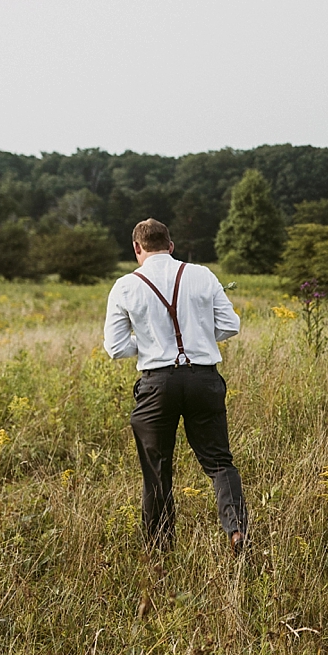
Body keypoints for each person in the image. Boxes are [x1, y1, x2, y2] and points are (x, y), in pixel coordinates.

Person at [104, 218, 249, 555]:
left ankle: (160, 550)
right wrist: (197, 340)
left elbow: (114, 348)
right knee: (219, 463)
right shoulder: (202, 275)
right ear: (170, 246)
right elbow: (231, 325)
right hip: (203, 378)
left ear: (137, 249)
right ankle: (237, 531)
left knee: (157, 470)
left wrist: (152, 346)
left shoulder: (125, 285)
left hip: (157, 385)